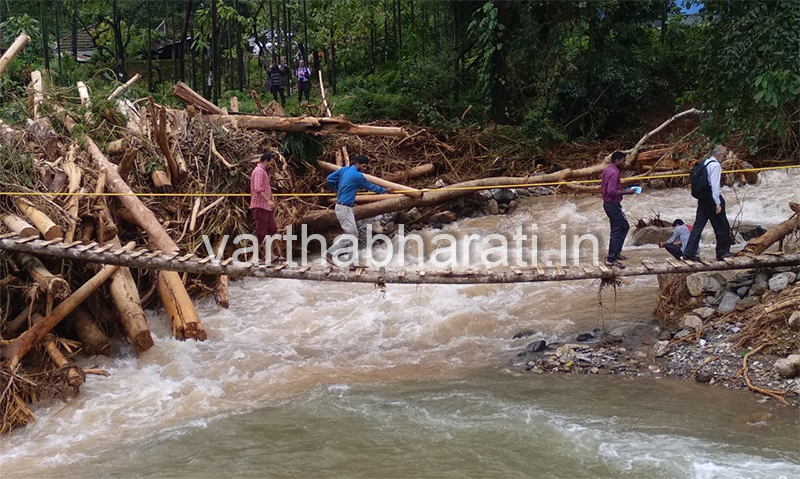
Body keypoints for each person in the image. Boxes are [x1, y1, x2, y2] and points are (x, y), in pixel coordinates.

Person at [325, 155, 394, 264]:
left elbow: (329, 179)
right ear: (357, 164)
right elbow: (371, 187)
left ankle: (352, 262)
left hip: (343, 207)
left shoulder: (344, 170)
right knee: (350, 235)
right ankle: (329, 253)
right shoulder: (357, 176)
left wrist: (337, 190)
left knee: (354, 235)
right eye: (364, 166)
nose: (365, 168)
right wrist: (385, 191)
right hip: (344, 208)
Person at [682, 145, 732, 261]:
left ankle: (688, 252)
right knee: (722, 226)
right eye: (724, 155)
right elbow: (715, 186)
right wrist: (717, 203)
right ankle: (722, 252)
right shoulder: (715, 166)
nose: (724, 157)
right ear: (719, 154)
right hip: (711, 199)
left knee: (698, 227)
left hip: (702, 199)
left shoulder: (705, 163)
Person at [601, 151, 639, 268]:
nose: (624, 163)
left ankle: (616, 253)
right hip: (612, 205)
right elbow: (611, 191)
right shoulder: (614, 173)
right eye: (623, 160)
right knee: (617, 231)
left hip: (609, 204)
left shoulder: (607, 170)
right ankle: (611, 259)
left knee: (624, 227)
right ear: (617, 161)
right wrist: (628, 192)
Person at [250, 152, 279, 260]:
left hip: (266, 206)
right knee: (261, 232)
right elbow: (258, 188)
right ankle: (255, 257)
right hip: (260, 205)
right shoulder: (258, 171)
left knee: (272, 229)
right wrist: (268, 200)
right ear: (265, 161)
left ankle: (270, 255)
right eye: (270, 164)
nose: (270, 166)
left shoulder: (263, 172)